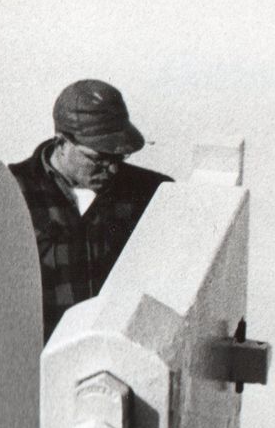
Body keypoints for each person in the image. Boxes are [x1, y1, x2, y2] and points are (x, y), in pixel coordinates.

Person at [9, 79, 169, 338]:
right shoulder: (9, 193)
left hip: (117, 354)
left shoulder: (152, 192)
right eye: (98, 158)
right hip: (38, 356)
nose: (112, 169)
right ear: (62, 143)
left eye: (119, 157)